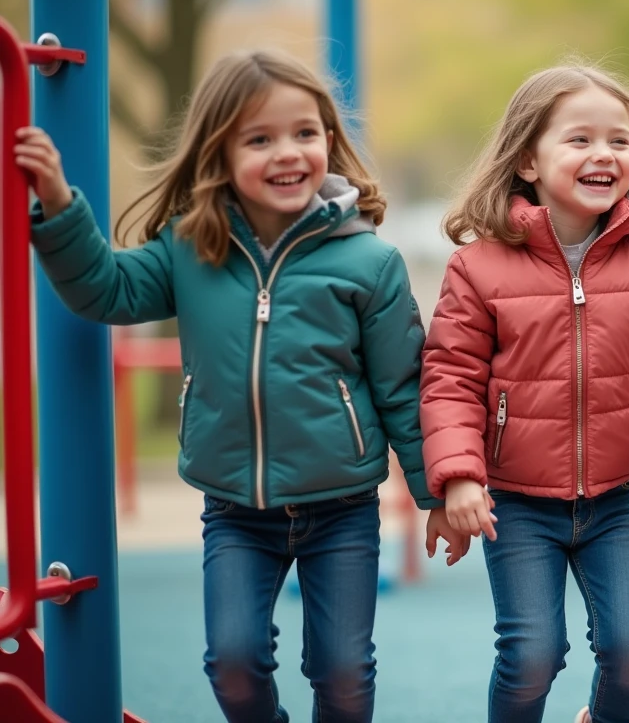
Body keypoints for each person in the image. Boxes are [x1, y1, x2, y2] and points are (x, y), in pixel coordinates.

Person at [17, 49, 465, 723]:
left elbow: (403, 386)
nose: (288, 153)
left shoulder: (368, 261)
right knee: (231, 661)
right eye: (260, 139)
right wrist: (57, 205)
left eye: (304, 133)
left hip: (340, 506)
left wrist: (434, 491)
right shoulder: (192, 249)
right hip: (234, 510)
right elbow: (105, 290)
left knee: (343, 673)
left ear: (329, 142)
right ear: (219, 153)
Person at [419, 63, 629, 723]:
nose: (604, 154)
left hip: (615, 498)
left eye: (619, 141)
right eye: (579, 140)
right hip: (517, 503)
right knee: (532, 654)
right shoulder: (479, 265)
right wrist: (460, 477)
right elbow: (449, 380)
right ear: (528, 157)